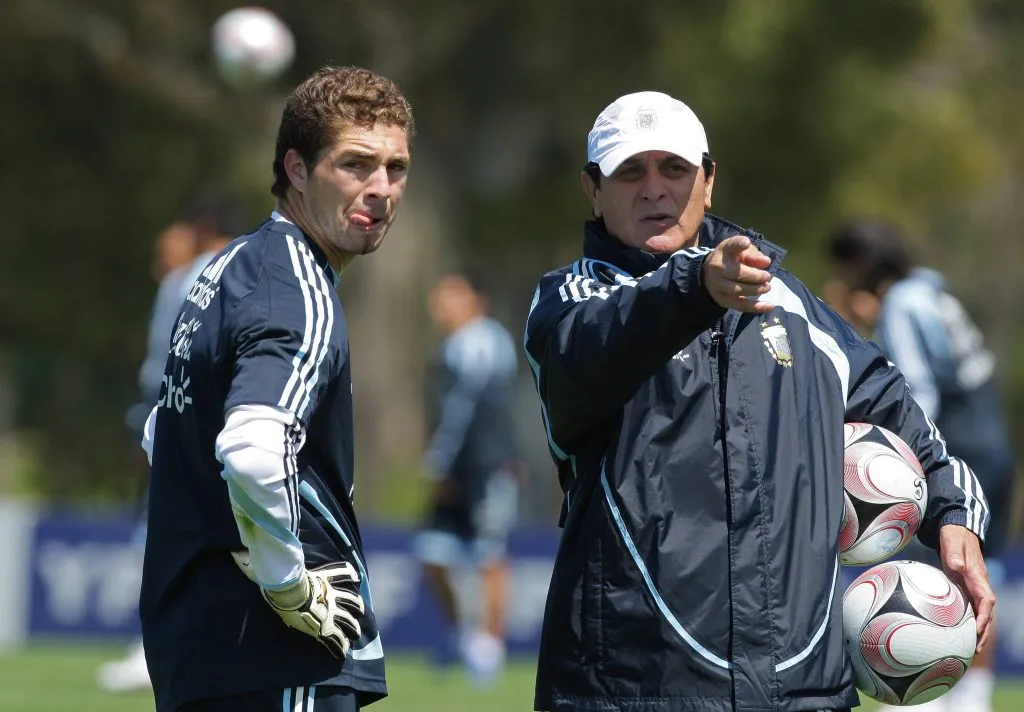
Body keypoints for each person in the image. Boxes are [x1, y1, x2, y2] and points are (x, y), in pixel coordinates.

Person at [522, 91, 995, 712]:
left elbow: (899, 411)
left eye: (675, 169)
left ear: (708, 182)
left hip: (805, 694)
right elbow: (589, 354)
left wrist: (955, 513)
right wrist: (696, 287)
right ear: (593, 189)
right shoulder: (573, 302)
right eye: (629, 171)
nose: (654, 189)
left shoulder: (791, 304)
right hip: (632, 690)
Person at [139, 65, 414, 712]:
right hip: (275, 652)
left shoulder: (228, 268)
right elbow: (254, 451)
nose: (380, 189)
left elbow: (164, 432)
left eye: (395, 168)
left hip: (199, 648)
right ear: (296, 168)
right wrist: (290, 586)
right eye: (354, 164)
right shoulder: (296, 293)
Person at [825, 219, 1014, 712]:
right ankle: (971, 697)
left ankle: (920, 691)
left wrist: (894, 457)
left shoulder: (904, 304)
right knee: (976, 574)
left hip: (948, 453)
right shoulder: (930, 289)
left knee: (926, 576)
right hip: (990, 443)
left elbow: (912, 391)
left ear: (863, 263)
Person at [98, 220, 198, 693]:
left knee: (157, 536)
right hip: (180, 425)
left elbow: (164, 364)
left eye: (168, 245)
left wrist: (146, 424)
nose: (160, 258)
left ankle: (152, 651)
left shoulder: (188, 283)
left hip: (171, 424)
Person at [413, 273, 520, 684]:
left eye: (450, 296)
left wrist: (441, 461)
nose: (439, 306)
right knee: (433, 554)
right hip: (456, 469)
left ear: (476, 300)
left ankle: (489, 648)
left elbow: (463, 412)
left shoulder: (482, 343)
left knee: (489, 555)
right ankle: (461, 636)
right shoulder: (452, 346)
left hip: (485, 467)